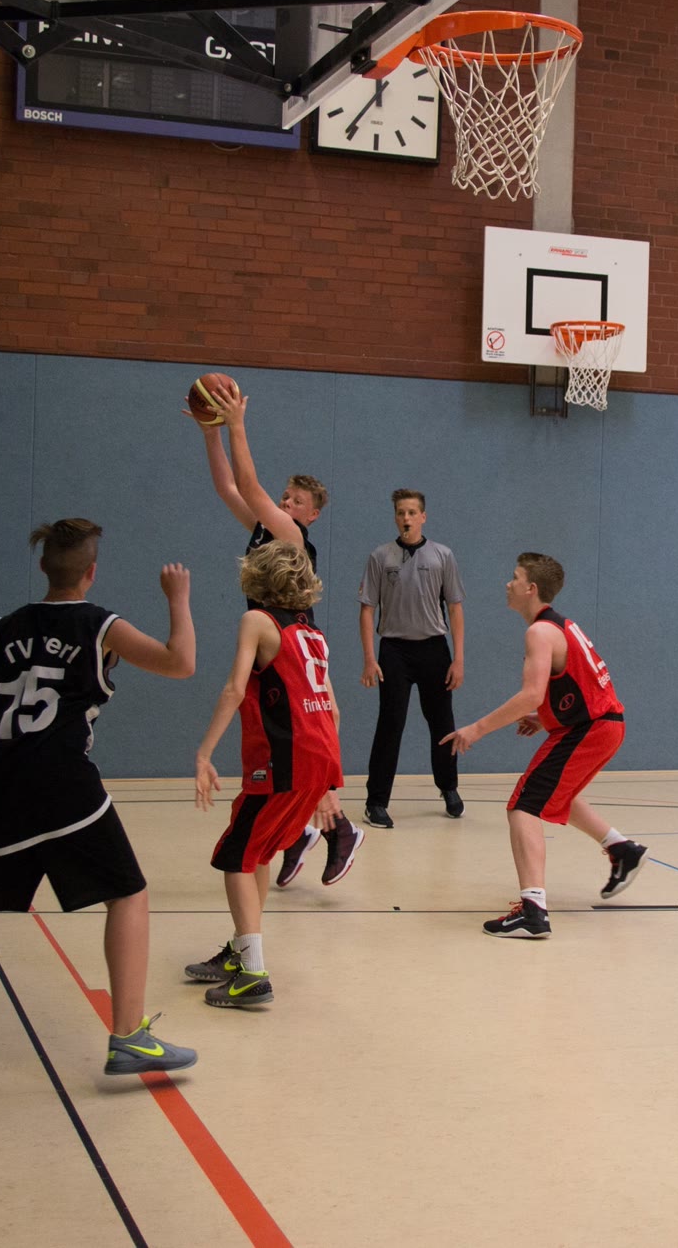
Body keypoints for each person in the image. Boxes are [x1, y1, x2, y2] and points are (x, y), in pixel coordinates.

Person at [0, 519, 199, 1080]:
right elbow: (181, 663)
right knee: (128, 893)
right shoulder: (100, 625)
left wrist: (14, 742)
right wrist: (178, 599)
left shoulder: (5, 628)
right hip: (61, 782)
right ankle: (129, 1036)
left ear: (44, 568)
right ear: (91, 572)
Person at [191, 384, 359, 888]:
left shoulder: (292, 536)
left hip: (289, 641)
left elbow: (247, 482)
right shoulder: (266, 531)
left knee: (300, 736)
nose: (285, 502)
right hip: (277, 642)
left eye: (295, 500)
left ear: (311, 516)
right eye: (284, 496)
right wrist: (210, 435)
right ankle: (305, 832)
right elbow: (229, 488)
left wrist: (236, 423)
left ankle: (335, 828)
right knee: (286, 745)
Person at [442, 553, 647, 939]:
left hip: (589, 729)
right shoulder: (561, 625)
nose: (508, 583)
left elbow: (531, 694)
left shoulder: (539, 632)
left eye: (515, 577)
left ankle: (533, 909)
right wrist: (547, 717)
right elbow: (579, 682)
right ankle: (622, 849)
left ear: (531, 588)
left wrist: (477, 729)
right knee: (555, 795)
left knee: (524, 806)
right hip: (601, 725)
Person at [188, 538, 344, 1007]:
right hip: (319, 756)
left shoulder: (257, 621)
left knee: (236, 855)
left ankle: (253, 974)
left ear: (255, 576)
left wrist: (204, 753)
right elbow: (332, 709)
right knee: (257, 855)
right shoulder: (313, 634)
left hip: (284, 760)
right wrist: (326, 783)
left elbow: (234, 690)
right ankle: (241, 951)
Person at [358, 488, 466, 827]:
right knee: (390, 724)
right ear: (395, 517)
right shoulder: (381, 556)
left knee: (442, 722)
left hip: (434, 649)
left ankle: (448, 787)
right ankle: (376, 802)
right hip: (394, 651)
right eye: (400, 512)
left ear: (423, 517)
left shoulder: (442, 555)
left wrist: (458, 658)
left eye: (411, 512)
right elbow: (367, 610)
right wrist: (369, 658)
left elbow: (455, 608)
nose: (406, 518)